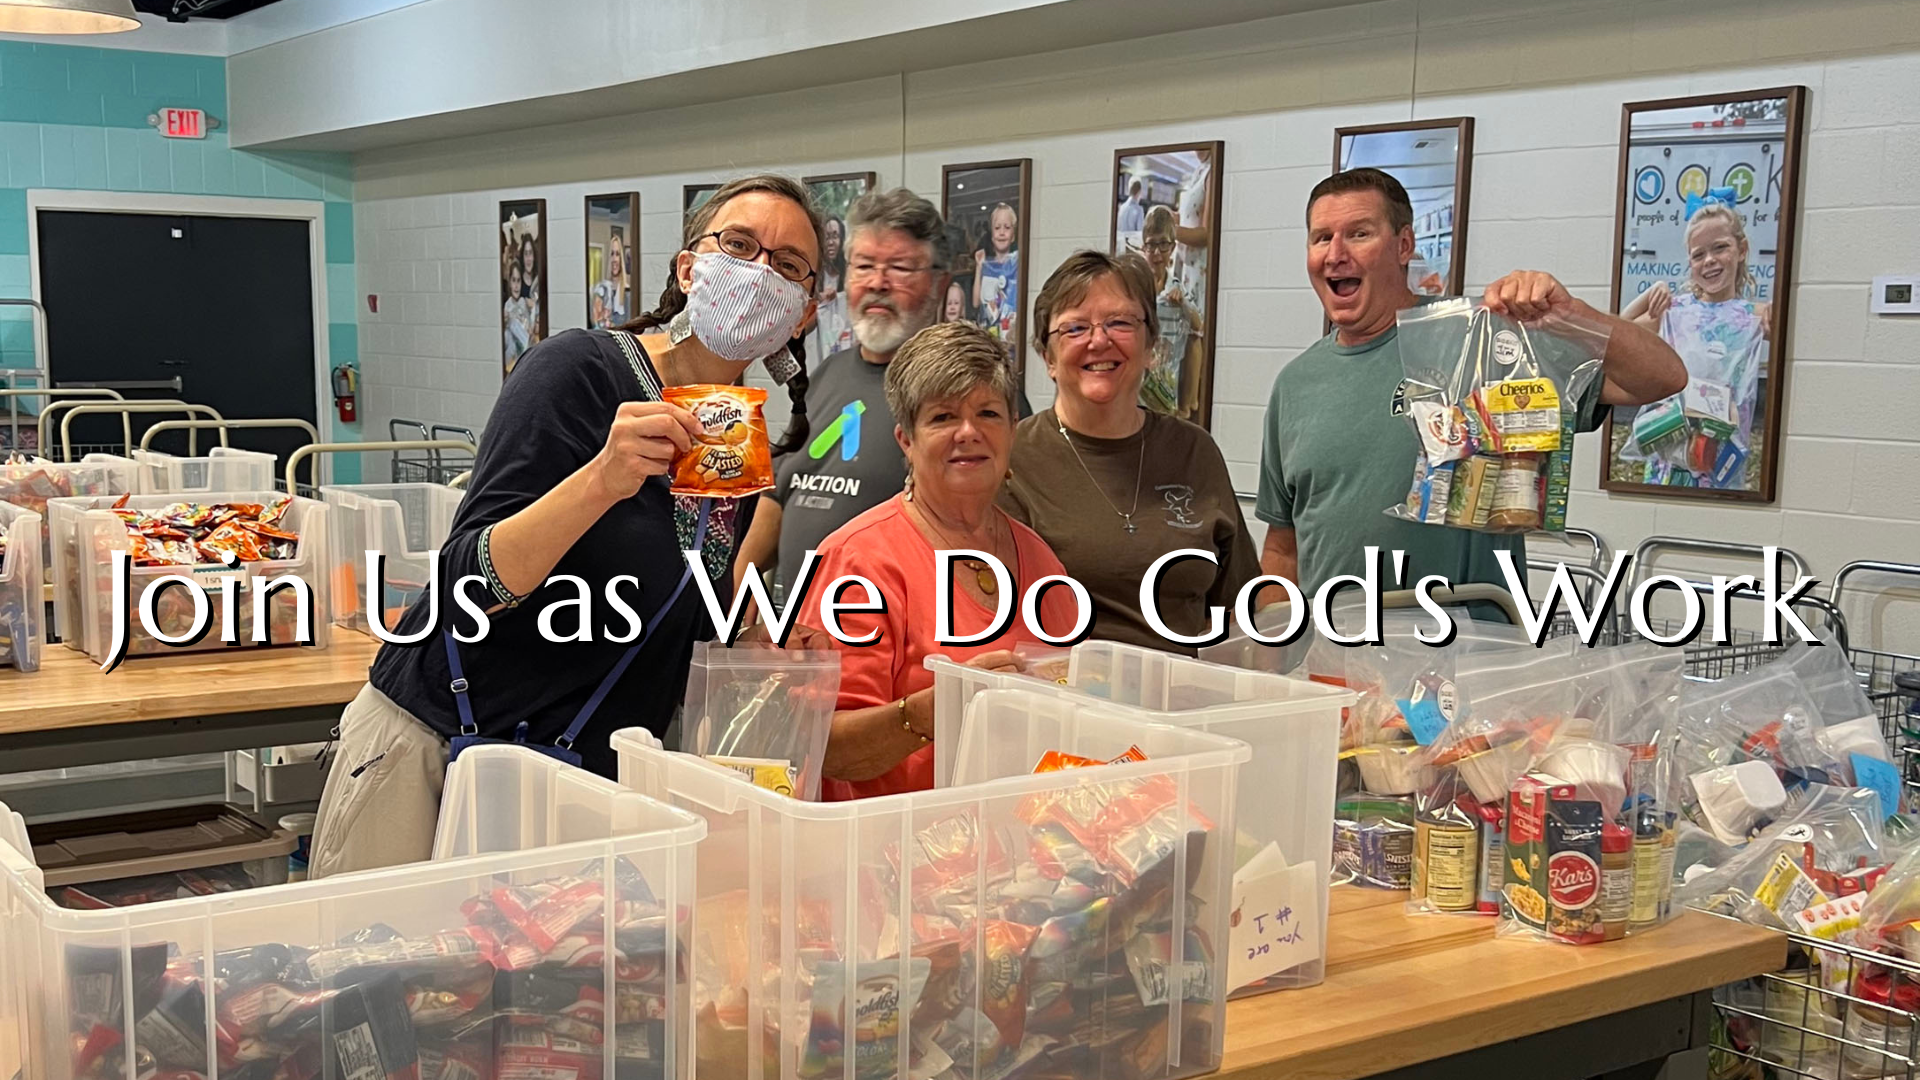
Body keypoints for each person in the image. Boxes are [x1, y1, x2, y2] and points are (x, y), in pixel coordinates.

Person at [310, 174, 829, 877]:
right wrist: (600, 480)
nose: (759, 271)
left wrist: (749, 637)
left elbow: (680, 601)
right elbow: (468, 580)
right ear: (689, 267)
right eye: (739, 245)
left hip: (575, 786)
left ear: (802, 313)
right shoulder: (578, 372)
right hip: (438, 752)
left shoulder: (732, 433)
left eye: (789, 265)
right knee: (379, 976)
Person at [1257, 168, 1688, 611]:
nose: (1335, 254)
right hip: (1333, 660)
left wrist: (1573, 316)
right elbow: (1283, 548)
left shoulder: (1483, 344)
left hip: (1464, 657)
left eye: (1359, 234)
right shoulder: (1295, 384)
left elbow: (1663, 377)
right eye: (1321, 238)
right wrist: (1267, 649)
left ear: (1404, 245)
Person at [799, 321, 1080, 799]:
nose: (968, 432)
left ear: (1012, 431)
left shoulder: (1042, 561)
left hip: (1026, 844)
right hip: (891, 855)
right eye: (942, 417)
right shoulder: (859, 560)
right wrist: (927, 715)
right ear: (906, 440)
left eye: (988, 413)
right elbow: (820, 747)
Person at [1003, 250, 1257, 652]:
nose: (1099, 340)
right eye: (1075, 328)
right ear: (1047, 357)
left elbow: (1241, 605)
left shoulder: (1195, 451)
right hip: (1059, 701)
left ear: (1150, 346)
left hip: (1183, 705)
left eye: (1120, 323)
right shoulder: (1010, 460)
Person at [733, 189, 949, 603]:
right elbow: (779, 495)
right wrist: (730, 599)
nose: (878, 283)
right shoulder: (829, 373)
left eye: (900, 268)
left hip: (892, 642)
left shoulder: (962, 391)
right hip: (797, 638)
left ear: (939, 283)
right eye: (864, 266)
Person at [1616, 202, 1769, 489]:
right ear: (1689, 262)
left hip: (1722, 456)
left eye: (1720, 248)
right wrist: (1651, 292)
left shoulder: (1753, 316)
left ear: (1742, 249)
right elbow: (1621, 331)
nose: (1709, 260)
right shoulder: (1677, 311)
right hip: (1670, 445)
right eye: (1699, 254)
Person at [1139, 205, 1202, 418]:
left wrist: (1182, 302)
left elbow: (1198, 326)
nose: (1157, 253)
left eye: (1163, 245)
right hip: (1136, 394)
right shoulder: (1135, 290)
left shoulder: (1177, 288)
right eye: (1151, 245)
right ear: (1143, 248)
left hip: (1166, 394)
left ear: (1173, 247)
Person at [1172, 151, 1213, 419]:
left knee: (1194, 334)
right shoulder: (1197, 172)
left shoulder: (1211, 173)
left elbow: (1205, 233)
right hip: (1185, 265)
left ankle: (1191, 406)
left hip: (1199, 268)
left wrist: (1169, 231)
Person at [973, 203, 1021, 354]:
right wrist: (978, 267)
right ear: (991, 234)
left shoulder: (1018, 261)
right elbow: (975, 303)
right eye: (997, 228)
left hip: (1011, 339)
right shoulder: (986, 264)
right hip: (988, 339)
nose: (1002, 233)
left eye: (1007, 228)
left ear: (1013, 235)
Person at [812, 216, 854, 358]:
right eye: (826, 237)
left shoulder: (851, 274)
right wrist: (819, 299)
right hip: (818, 349)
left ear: (842, 240)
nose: (830, 242)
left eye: (835, 236)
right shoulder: (813, 274)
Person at [590, 227, 629, 329]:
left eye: (617, 254)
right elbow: (595, 324)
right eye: (612, 254)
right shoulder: (601, 290)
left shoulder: (628, 293)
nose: (614, 259)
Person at [502, 259, 533, 372]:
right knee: (510, 330)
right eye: (513, 281)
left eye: (518, 281)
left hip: (523, 348)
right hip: (513, 349)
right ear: (510, 283)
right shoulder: (508, 305)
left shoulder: (524, 303)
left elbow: (529, 324)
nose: (516, 285)